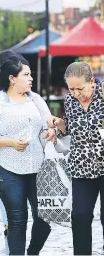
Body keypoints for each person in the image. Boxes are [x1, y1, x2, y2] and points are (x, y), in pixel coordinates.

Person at [0, 56, 55, 255]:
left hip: (37, 167)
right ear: (12, 78)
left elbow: (47, 125)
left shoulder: (36, 100)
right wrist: (10, 142)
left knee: (45, 217)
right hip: (7, 168)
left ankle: (33, 251)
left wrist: (49, 132)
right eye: (26, 75)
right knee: (17, 219)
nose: (31, 79)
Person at [48, 62, 104, 255]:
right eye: (71, 88)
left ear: (91, 82)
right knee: (80, 216)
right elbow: (70, 130)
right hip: (81, 166)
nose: (75, 93)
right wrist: (59, 124)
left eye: (80, 88)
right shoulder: (70, 101)